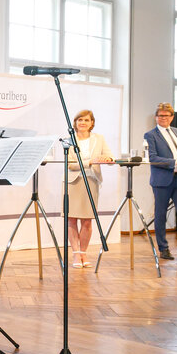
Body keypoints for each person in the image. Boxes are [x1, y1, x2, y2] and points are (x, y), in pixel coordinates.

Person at [144, 102, 177, 263]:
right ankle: (163, 249)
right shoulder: (150, 135)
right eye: (160, 116)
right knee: (160, 215)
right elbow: (152, 158)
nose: (163, 118)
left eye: (167, 116)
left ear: (172, 117)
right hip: (162, 180)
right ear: (156, 117)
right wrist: (176, 161)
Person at [67, 110, 113, 268]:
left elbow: (109, 156)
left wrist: (108, 160)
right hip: (72, 182)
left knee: (87, 221)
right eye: (79, 120)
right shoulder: (69, 140)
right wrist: (90, 162)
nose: (83, 123)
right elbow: (69, 164)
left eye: (86, 120)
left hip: (92, 181)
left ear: (92, 123)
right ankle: (75, 254)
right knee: (71, 219)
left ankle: (83, 253)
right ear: (75, 122)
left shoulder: (99, 139)